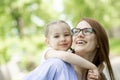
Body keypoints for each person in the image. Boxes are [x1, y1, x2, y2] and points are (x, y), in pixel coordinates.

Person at [24, 20, 98, 80]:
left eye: (66, 35)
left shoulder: (71, 63)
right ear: (48, 42)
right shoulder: (49, 52)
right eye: (56, 36)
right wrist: (92, 66)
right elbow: (65, 56)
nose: (63, 39)